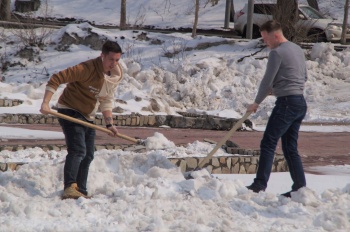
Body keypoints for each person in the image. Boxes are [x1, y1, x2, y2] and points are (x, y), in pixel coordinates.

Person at [40, 41, 123, 199]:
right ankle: (70, 188)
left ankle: (81, 190)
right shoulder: (87, 69)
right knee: (78, 150)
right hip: (70, 109)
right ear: (102, 56)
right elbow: (57, 78)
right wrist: (45, 102)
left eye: (117, 60)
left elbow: (106, 100)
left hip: (87, 115)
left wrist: (110, 123)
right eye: (111, 59)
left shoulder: (115, 76)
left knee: (89, 154)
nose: (114, 63)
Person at [246, 20, 308, 198]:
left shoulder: (277, 53)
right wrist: (281, 87)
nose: (265, 43)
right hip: (299, 103)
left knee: (268, 142)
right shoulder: (296, 49)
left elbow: (267, 81)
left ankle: (259, 185)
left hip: (287, 104)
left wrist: (256, 102)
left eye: (266, 39)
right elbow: (303, 76)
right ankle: (299, 188)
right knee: (289, 148)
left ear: (275, 35)